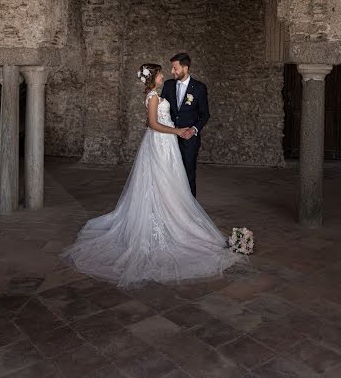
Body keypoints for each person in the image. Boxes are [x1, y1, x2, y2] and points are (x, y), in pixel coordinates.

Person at [60, 63, 239, 288]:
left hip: (165, 144)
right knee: (159, 182)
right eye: (161, 73)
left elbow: (151, 122)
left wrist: (175, 130)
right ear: (154, 77)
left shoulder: (154, 95)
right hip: (160, 142)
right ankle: (167, 221)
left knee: (169, 182)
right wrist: (176, 130)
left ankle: (175, 215)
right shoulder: (154, 96)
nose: (165, 75)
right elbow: (153, 124)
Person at [161, 53, 209, 198]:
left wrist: (193, 130)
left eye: (175, 68)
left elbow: (205, 115)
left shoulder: (199, 88)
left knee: (188, 174)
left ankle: (190, 211)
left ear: (185, 68)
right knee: (168, 174)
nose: (172, 71)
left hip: (190, 140)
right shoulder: (168, 85)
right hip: (169, 138)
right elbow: (163, 109)